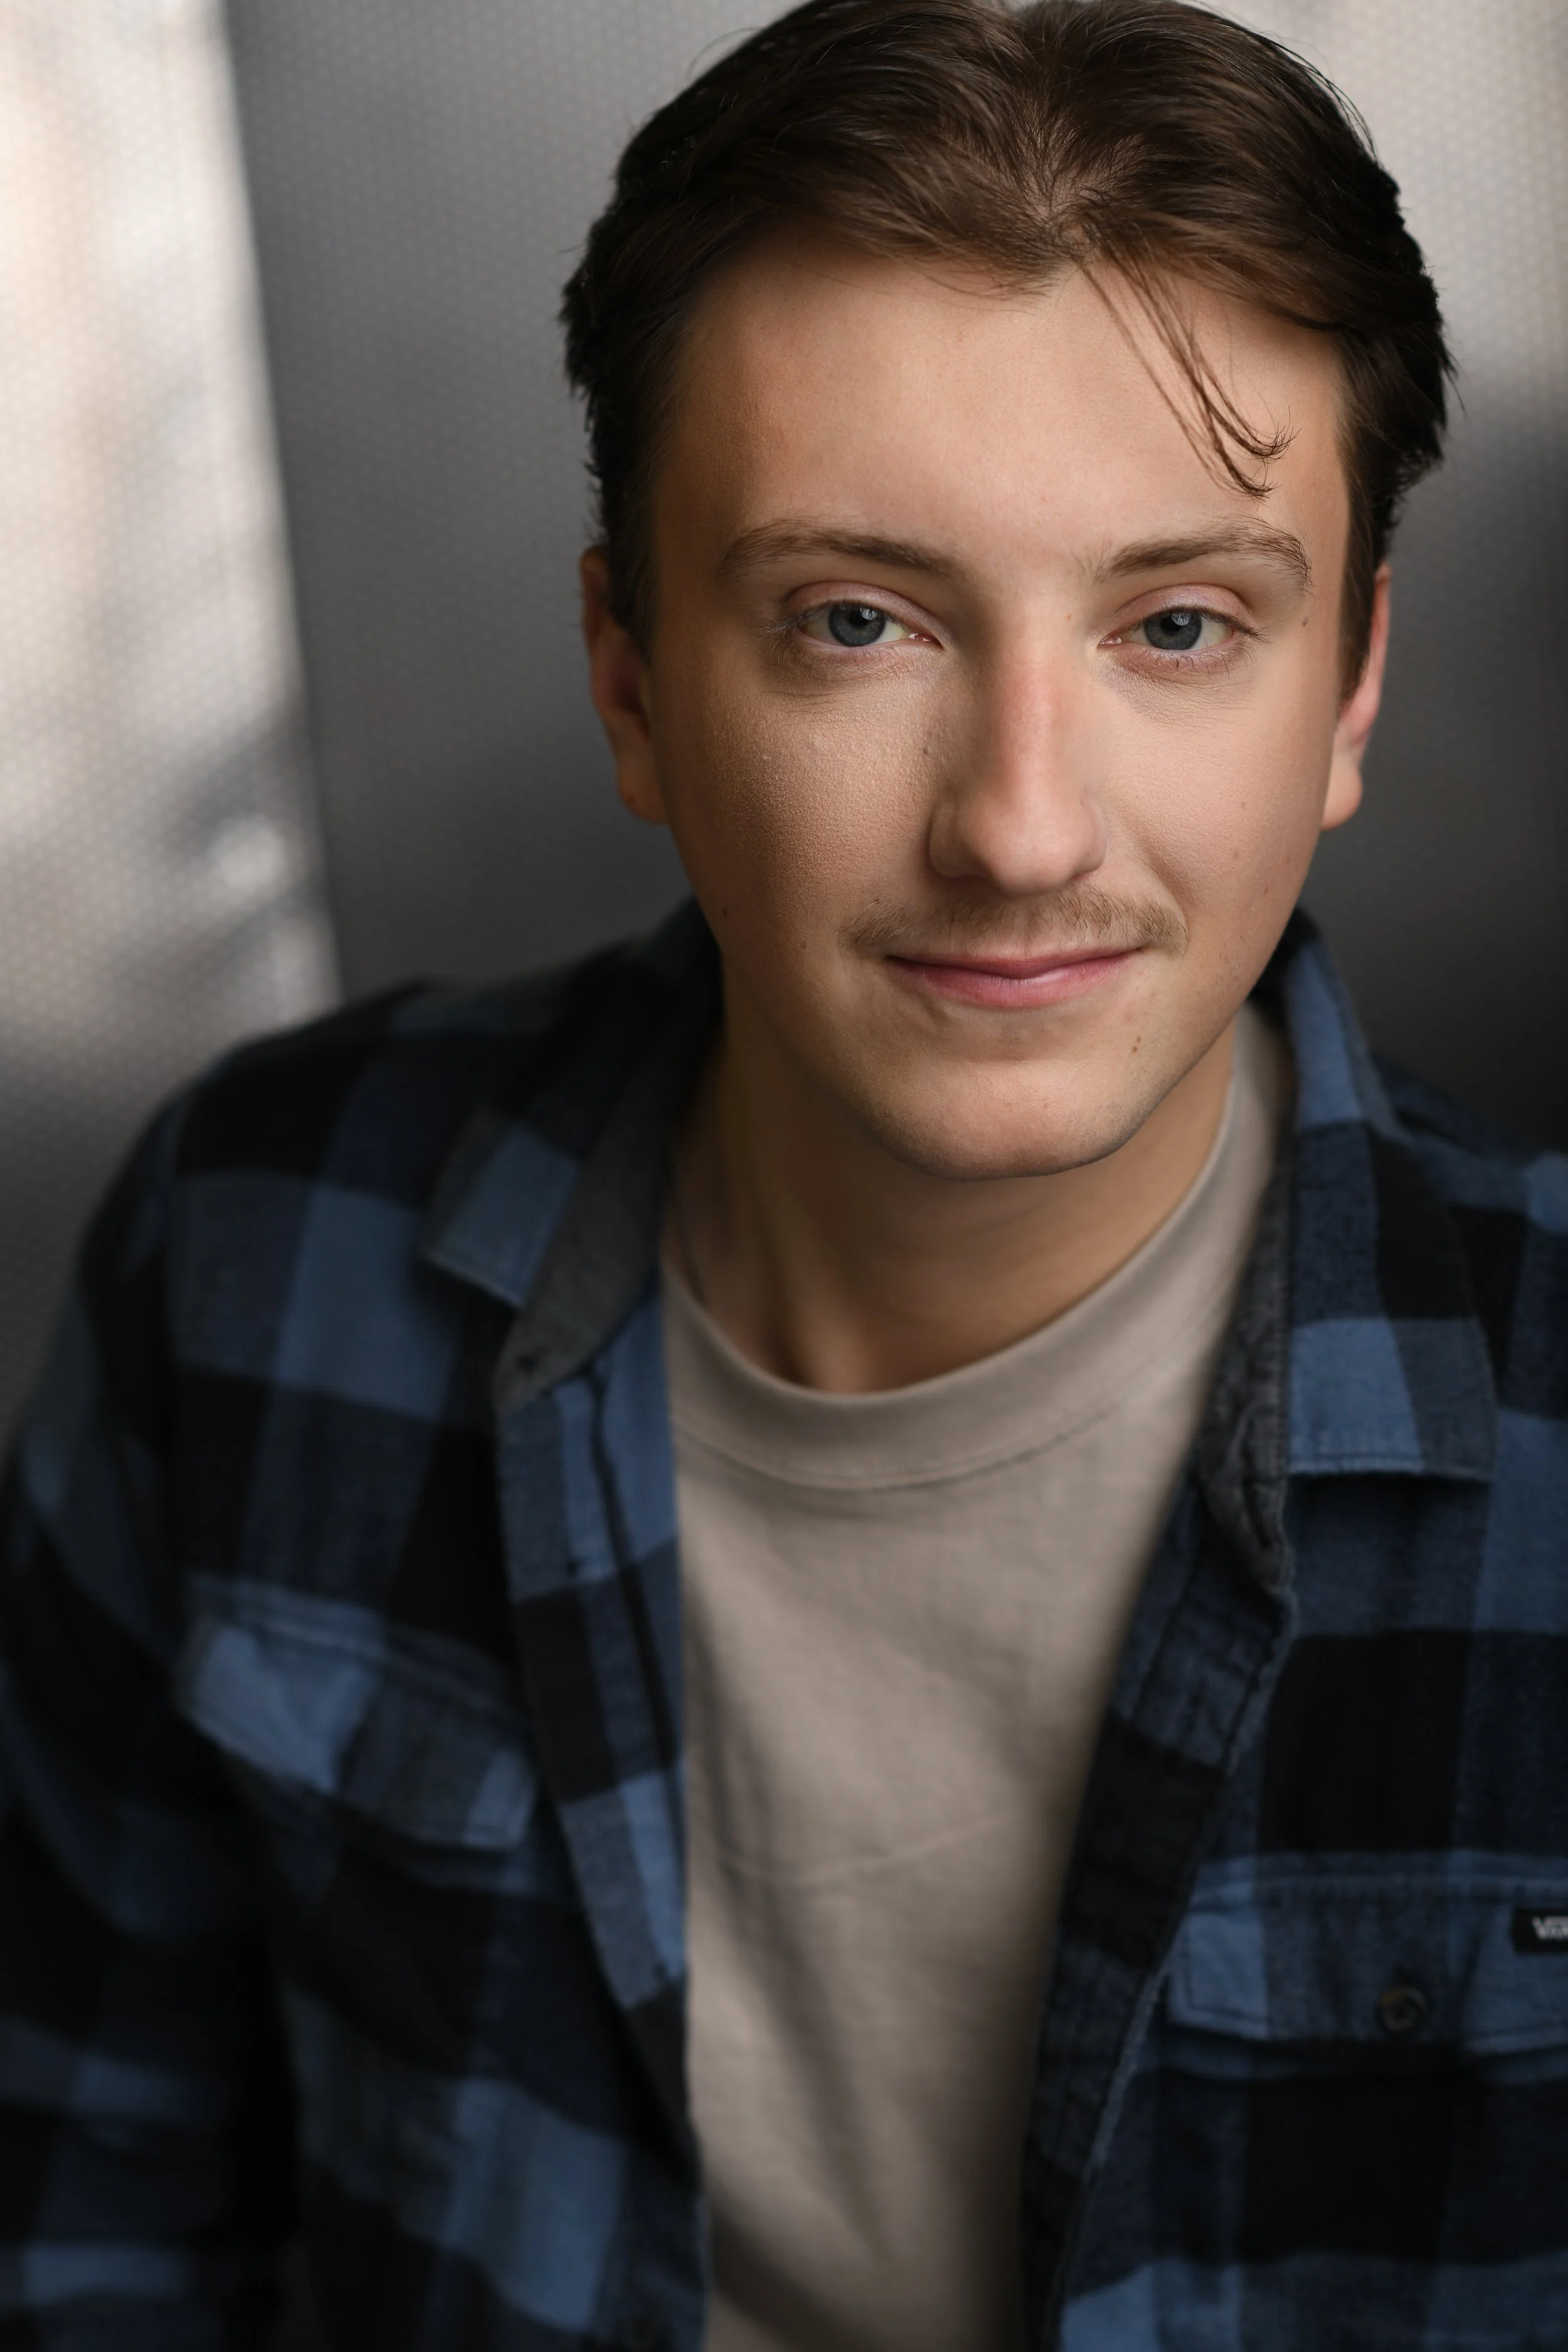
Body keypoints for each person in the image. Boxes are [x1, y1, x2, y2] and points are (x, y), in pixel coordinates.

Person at [2, 0, 1565, 2345]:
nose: (1018, 827)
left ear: (1346, 689)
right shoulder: (251, 1266)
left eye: (1175, 626)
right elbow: (80, 2222)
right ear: (630, 680)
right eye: (856, 620)